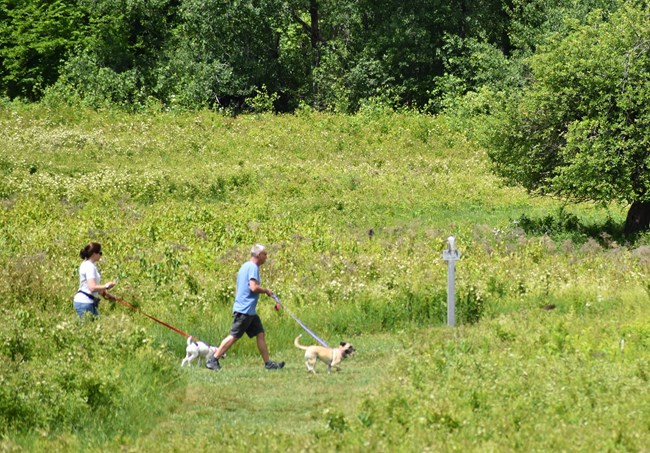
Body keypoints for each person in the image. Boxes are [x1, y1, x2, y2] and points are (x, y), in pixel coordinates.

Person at [207, 244, 285, 371]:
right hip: (244, 310)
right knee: (234, 336)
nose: (266, 257)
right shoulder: (252, 267)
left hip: (250, 311)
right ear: (259, 255)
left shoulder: (245, 266)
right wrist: (266, 291)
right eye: (265, 254)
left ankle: (268, 363)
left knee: (260, 334)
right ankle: (213, 359)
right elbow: (253, 287)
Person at [73, 242, 118, 319]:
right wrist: (107, 285)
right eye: (100, 253)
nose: (101, 255)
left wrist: (107, 295)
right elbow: (92, 287)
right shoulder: (90, 267)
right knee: (88, 328)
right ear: (94, 254)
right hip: (85, 303)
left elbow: (93, 287)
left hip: (86, 302)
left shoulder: (86, 264)